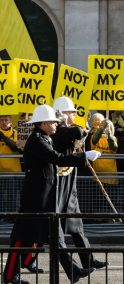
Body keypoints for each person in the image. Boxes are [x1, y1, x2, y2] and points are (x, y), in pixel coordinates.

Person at [2, 104, 100, 284]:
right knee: (21, 237)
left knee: (55, 236)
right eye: (53, 122)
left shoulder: (45, 138)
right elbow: (58, 158)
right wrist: (84, 156)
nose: (57, 124)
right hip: (36, 197)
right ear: (44, 123)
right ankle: (9, 274)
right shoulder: (38, 141)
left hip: (45, 195)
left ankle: (74, 270)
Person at [51, 98, 108, 271]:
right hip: (58, 182)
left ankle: (88, 259)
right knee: (48, 229)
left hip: (69, 181)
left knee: (76, 223)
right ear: (61, 113)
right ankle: (24, 261)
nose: (74, 115)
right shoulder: (58, 131)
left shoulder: (65, 130)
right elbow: (78, 132)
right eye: (71, 112)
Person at [0, 115, 21, 216]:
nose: (4, 122)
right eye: (1, 120)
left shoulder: (15, 133)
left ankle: (11, 216)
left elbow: (15, 147)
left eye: (6, 120)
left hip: (13, 171)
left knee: (12, 196)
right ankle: (0, 216)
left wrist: (4, 137)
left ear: (11, 122)